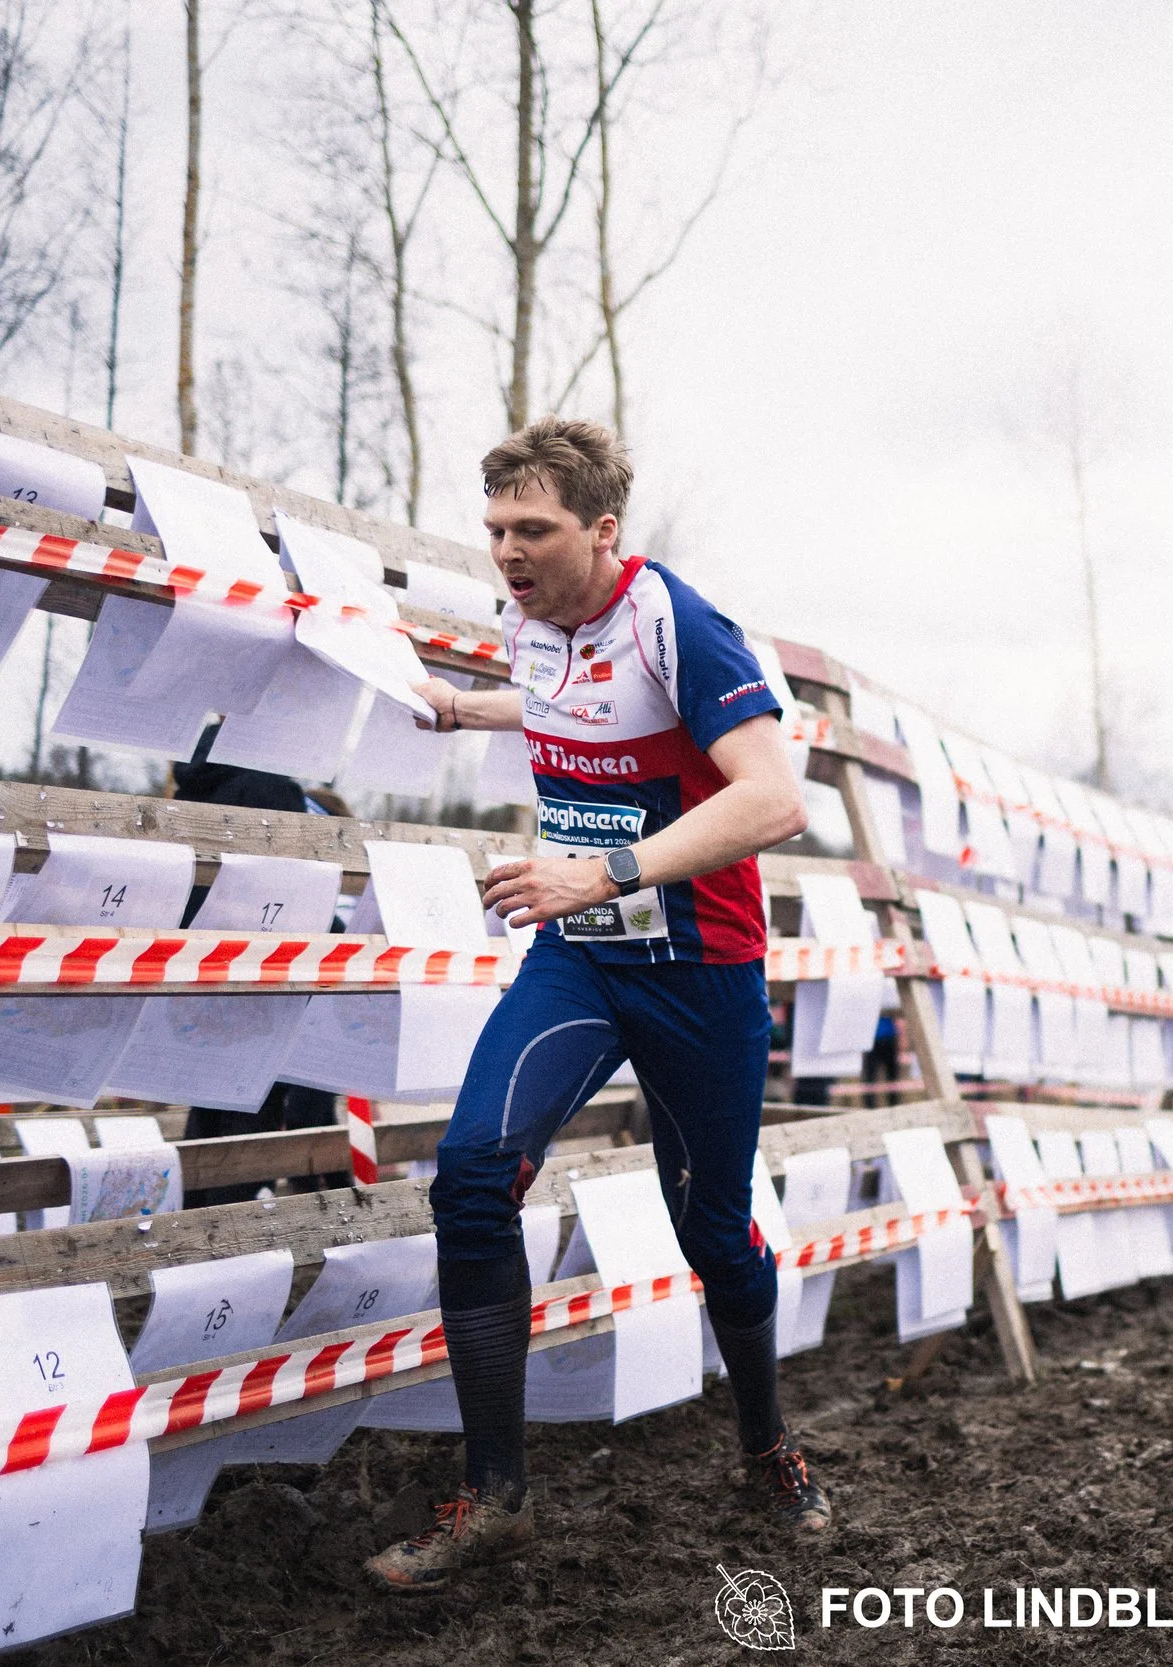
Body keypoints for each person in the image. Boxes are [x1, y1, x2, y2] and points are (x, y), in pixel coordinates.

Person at [365, 419, 820, 1596]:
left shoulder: (678, 621)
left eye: (535, 530)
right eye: (497, 530)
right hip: (580, 958)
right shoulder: (527, 622)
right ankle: (497, 1496)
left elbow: (775, 799)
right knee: (471, 1178)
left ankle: (768, 1445)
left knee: (711, 1230)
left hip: (699, 968)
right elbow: (564, 699)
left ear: (602, 530)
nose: (507, 552)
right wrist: (465, 709)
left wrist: (604, 869)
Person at [170, 724, 345, 1206]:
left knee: (207, 1113)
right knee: (254, 1126)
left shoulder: (193, 793)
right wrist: (335, 936)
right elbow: (294, 880)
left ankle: (194, 1227)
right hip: (268, 968)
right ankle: (230, 1243)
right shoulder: (275, 793)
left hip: (201, 962)